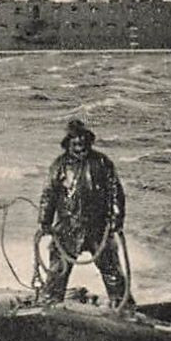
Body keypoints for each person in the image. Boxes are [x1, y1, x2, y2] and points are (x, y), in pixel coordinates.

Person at [38, 119, 132, 307]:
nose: (80, 146)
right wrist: (44, 221)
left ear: (88, 141)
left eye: (82, 141)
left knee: (111, 269)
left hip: (98, 227)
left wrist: (116, 217)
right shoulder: (59, 165)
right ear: (68, 144)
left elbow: (115, 191)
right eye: (75, 142)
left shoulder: (102, 162)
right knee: (59, 269)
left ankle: (123, 306)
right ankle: (50, 303)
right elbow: (49, 194)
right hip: (68, 227)